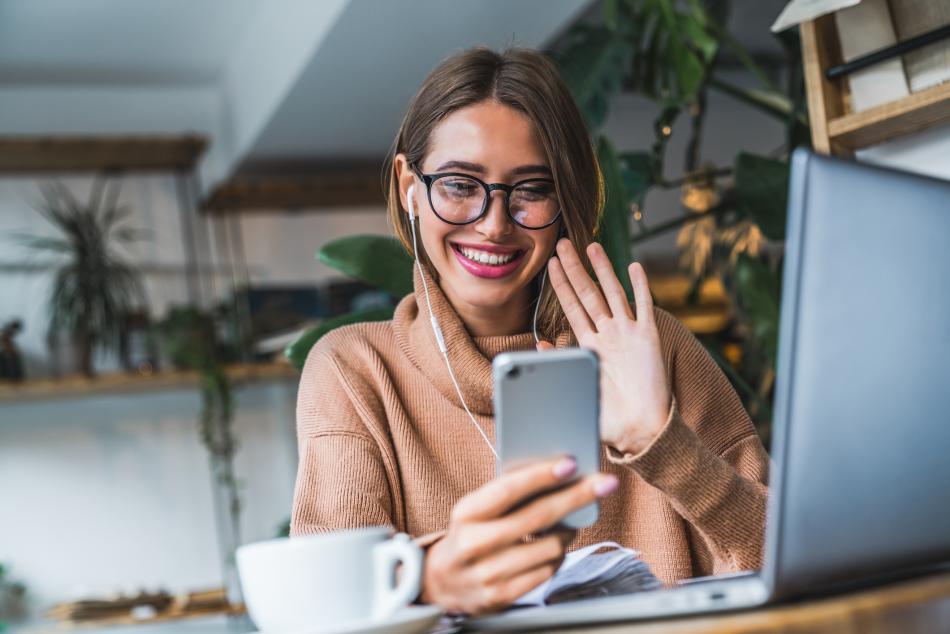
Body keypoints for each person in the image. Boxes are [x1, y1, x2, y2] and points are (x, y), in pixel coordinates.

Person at [291, 47, 769, 616]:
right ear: (409, 188)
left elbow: (793, 571)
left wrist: (660, 444)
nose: (494, 224)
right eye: (460, 185)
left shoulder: (649, 346)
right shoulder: (354, 371)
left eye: (532, 189)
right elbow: (326, 612)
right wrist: (425, 583)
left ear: (564, 200)